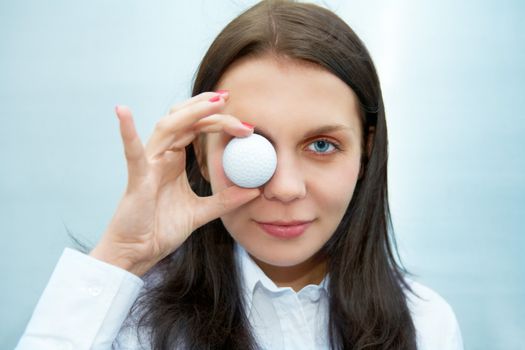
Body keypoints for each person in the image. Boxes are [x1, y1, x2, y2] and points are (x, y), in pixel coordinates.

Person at [16, 1, 464, 349]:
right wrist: (123, 255)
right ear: (201, 151)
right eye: (250, 147)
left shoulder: (427, 326)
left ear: (366, 150)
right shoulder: (123, 319)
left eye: (322, 145)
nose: (286, 188)